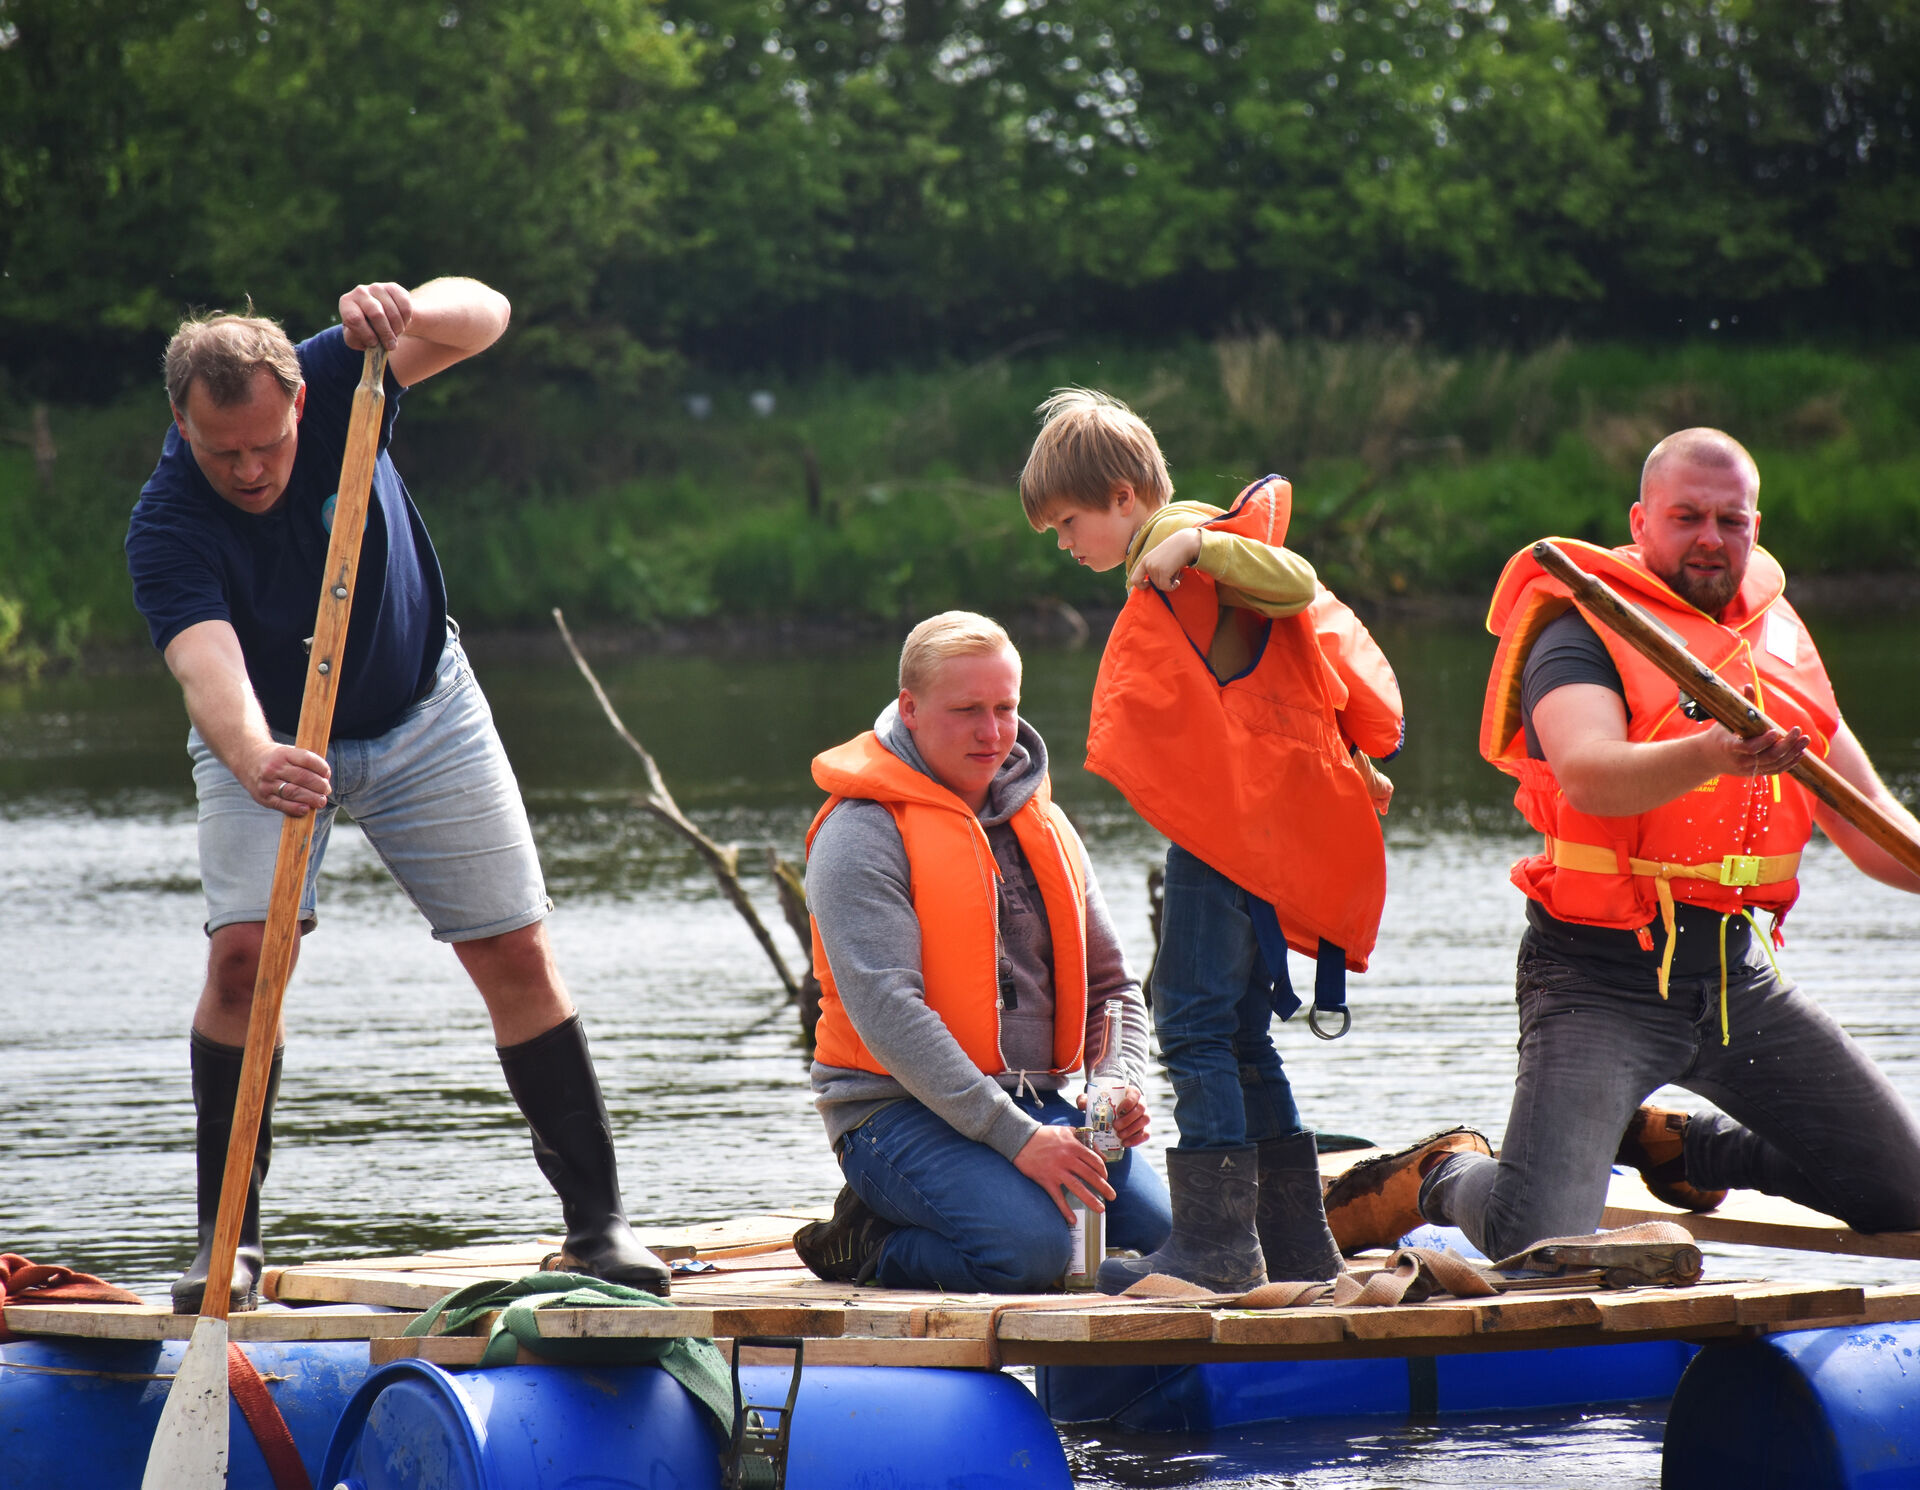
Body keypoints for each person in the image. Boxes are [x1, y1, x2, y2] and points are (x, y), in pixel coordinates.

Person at [125, 281, 671, 1312]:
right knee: (244, 958)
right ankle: (225, 1241)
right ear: (182, 424)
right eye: (220, 451)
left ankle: (600, 1227)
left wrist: (410, 303)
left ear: (296, 403)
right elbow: (207, 671)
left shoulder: (344, 371)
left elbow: (488, 316)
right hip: (275, 739)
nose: (247, 470)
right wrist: (255, 756)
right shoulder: (166, 522)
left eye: (266, 448)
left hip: (425, 709)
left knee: (512, 948)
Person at [1408, 426, 1920, 1260]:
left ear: (1756, 526)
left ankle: (1690, 1148)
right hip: (1599, 975)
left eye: (1733, 520)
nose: (1712, 540)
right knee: (1534, 1245)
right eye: (1688, 517)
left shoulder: (1777, 641)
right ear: (1642, 521)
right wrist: (1713, 752)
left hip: (1737, 984)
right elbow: (1588, 774)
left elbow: (1870, 821)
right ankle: (1442, 1173)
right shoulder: (1579, 630)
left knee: (1907, 1195)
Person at [1018, 389, 1424, 1293]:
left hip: (1232, 836)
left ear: (1125, 496)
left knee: (1190, 1020)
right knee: (1242, 1036)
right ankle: (1295, 1244)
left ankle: (1213, 1243)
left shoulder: (1193, 546)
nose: (1065, 543)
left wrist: (1195, 543)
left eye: (1069, 522)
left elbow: (1296, 584)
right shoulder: (1166, 564)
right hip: (1250, 829)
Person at [793, 611, 1172, 1291]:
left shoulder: (1045, 823)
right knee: (1035, 1256)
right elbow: (889, 1012)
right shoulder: (859, 832)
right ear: (909, 709)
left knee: (1161, 1237)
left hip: (1038, 1100)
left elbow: (1114, 986)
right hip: (892, 1114)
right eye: (967, 710)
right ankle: (868, 1240)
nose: (993, 733)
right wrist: (1019, 1139)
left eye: (1005, 708)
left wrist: (1119, 1082)